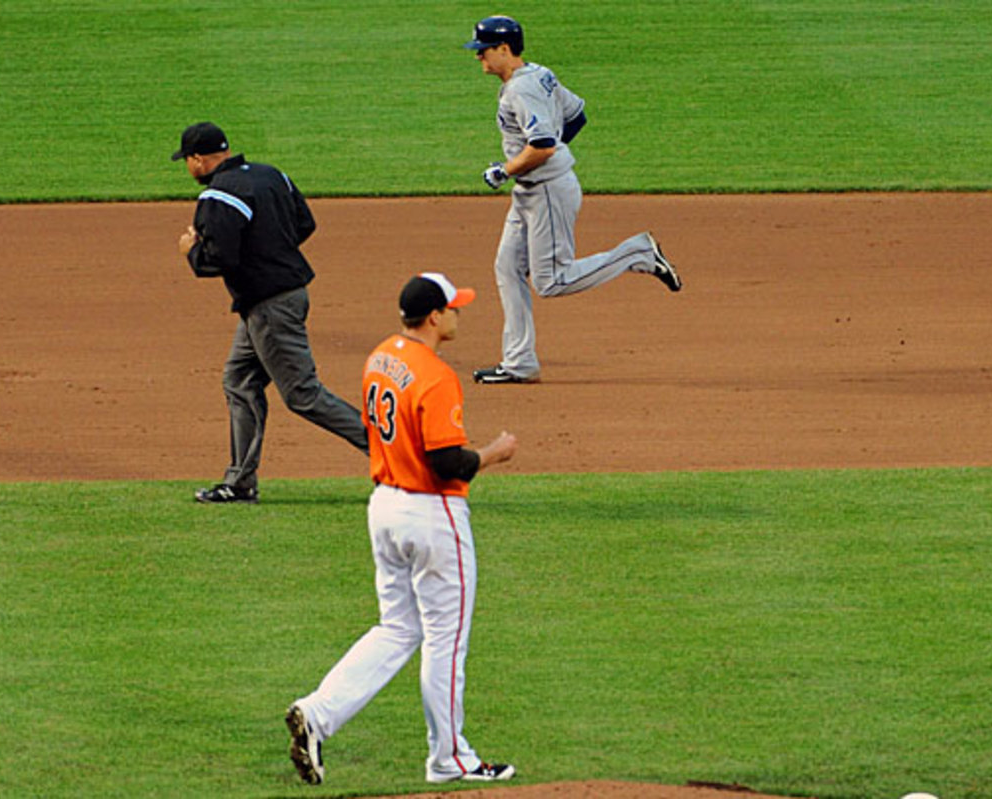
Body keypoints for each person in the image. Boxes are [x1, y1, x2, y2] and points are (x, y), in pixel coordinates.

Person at [284, 272, 518, 786]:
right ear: (434, 316)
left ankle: (317, 714)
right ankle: (450, 759)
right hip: (431, 515)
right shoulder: (435, 375)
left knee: (397, 628)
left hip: (384, 507)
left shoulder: (379, 358)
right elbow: (445, 462)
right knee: (445, 640)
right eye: (454, 307)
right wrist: (494, 453)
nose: (459, 313)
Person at [463, 16, 683, 384]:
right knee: (507, 267)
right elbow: (576, 116)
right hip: (533, 190)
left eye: (483, 50)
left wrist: (505, 170)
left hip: (547, 190)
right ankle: (520, 362)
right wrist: (537, 160)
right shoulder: (540, 74)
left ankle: (637, 253)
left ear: (504, 49)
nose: (478, 58)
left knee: (552, 281)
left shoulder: (521, 90)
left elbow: (544, 145)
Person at [173, 121, 367, 503]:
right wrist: (271, 252)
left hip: (270, 306)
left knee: (303, 395)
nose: (188, 168)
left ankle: (394, 455)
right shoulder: (271, 175)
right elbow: (304, 223)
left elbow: (220, 258)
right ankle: (240, 481)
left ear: (198, 159)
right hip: (282, 296)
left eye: (188, 161)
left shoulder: (218, 196)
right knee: (239, 381)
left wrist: (190, 251)